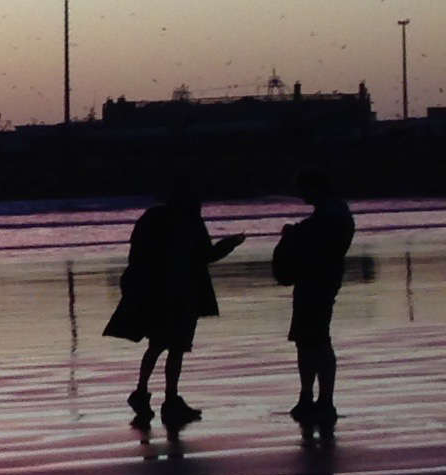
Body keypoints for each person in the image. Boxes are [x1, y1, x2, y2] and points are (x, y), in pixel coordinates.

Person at [101, 184, 241, 428]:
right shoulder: (190, 221)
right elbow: (206, 255)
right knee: (176, 348)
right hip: (182, 292)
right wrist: (229, 245)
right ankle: (170, 399)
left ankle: (142, 393)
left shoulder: (151, 217)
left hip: (154, 292)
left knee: (156, 346)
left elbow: (136, 254)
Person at [270, 169, 356, 429]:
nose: (302, 195)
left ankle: (324, 400)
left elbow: (320, 241)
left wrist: (294, 235)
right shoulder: (334, 212)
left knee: (316, 339)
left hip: (319, 281)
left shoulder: (332, 214)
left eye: (304, 189)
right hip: (316, 280)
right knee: (306, 339)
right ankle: (309, 396)